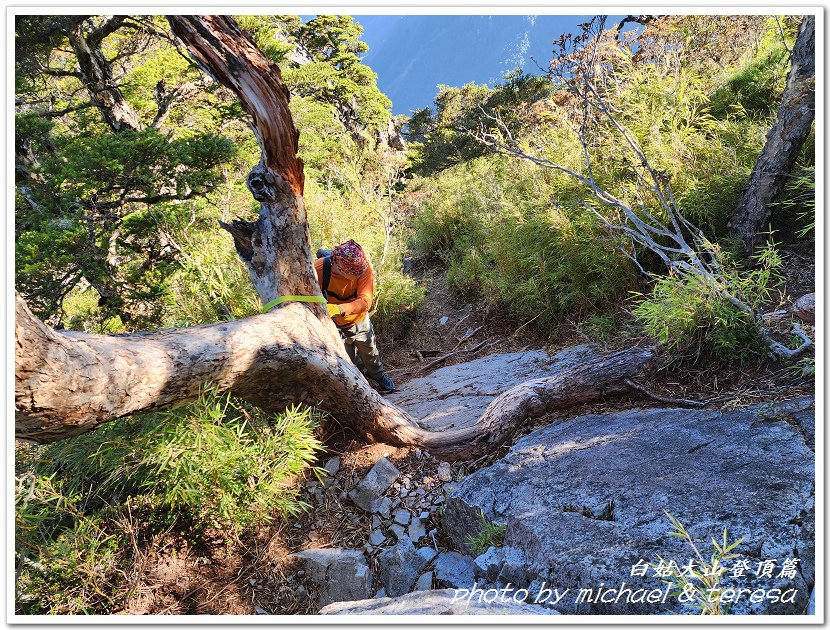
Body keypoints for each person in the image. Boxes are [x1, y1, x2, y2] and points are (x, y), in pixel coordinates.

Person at [314, 240, 395, 393]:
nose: (358, 275)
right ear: (338, 265)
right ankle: (362, 386)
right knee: (349, 361)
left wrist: (339, 308)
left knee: (370, 353)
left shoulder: (363, 268)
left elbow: (365, 301)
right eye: (353, 273)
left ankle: (378, 375)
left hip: (359, 320)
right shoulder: (318, 270)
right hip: (335, 326)